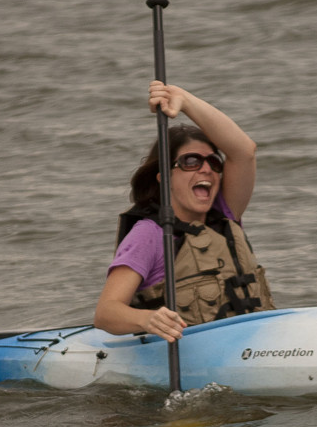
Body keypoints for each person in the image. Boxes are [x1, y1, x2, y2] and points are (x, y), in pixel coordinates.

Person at [94, 81, 274, 342]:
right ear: (163, 177)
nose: (206, 170)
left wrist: (183, 99)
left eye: (213, 162)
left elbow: (244, 151)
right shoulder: (149, 235)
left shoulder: (225, 213)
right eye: (191, 161)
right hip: (191, 353)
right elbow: (105, 313)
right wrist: (147, 319)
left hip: (255, 343)